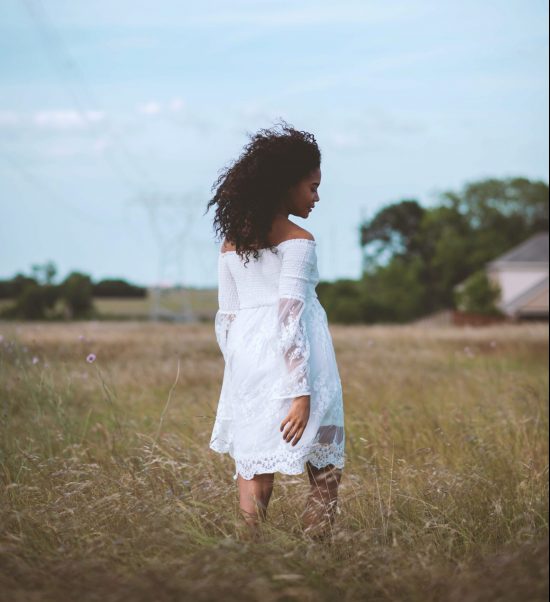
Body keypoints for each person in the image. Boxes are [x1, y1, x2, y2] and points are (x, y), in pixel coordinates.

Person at [205, 120, 345, 540]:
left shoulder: (231, 242)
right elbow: (289, 316)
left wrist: (238, 371)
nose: (317, 197)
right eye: (312, 187)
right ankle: (315, 557)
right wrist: (300, 393)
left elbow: (226, 317)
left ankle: (249, 557)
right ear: (286, 185)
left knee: (254, 466)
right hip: (302, 366)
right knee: (325, 472)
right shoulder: (299, 240)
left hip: (248, 364)